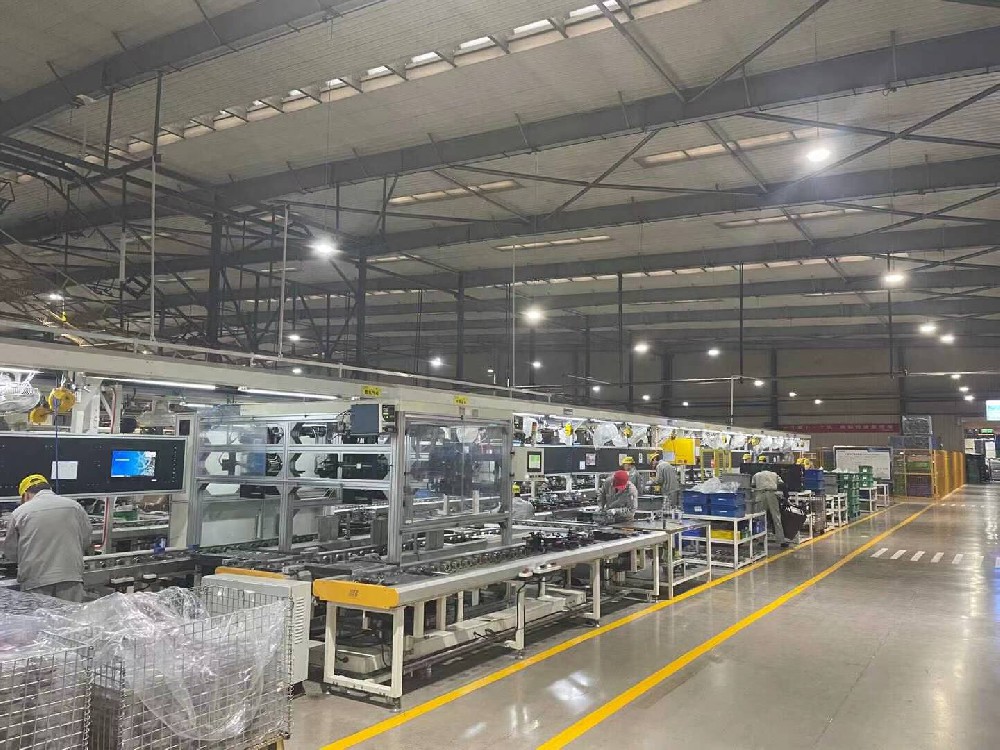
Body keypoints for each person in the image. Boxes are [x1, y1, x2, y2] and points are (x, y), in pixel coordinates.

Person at [2, 474, 92, 601]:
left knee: (39, 613)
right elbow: (86, 539)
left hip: (36, 579)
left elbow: (11, 551)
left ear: (26, 495)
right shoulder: (74, 506)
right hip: (70, 576)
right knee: (72, 612)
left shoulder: (20, 512)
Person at [752, 468, 788, 548]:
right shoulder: (774, 474)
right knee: (776, 517)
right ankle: (781, 541)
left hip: (760, 495)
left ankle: (761, 540)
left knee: (760, 518)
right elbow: (782, 484)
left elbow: (753, 485)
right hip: (772, 494)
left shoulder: (757, 474)